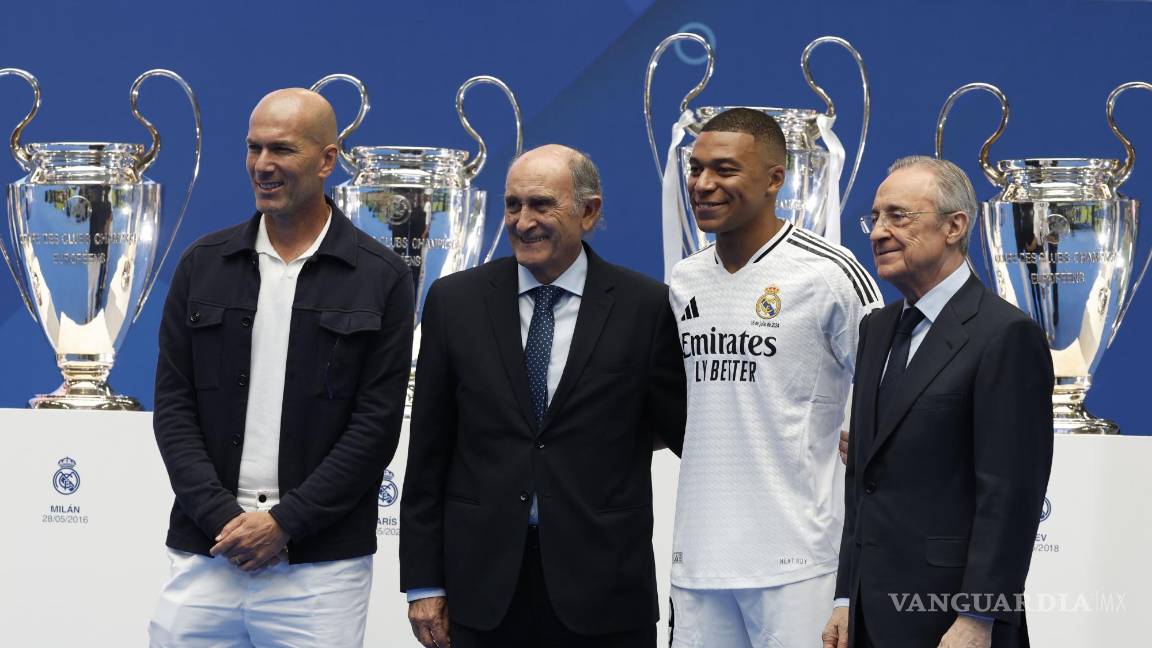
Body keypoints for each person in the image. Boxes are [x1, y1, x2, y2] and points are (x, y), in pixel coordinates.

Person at [149, 88, 414, 647]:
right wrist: (226, 520)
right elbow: (174, 409)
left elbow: (374, 428)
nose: (263, 165)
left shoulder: (381, 277)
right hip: (207, 555)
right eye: (254, 148)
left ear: (327, 159)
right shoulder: (203, 264)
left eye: (283, 150)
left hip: (319, 574)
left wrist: (284, 524)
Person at [400, 144, 686, 647]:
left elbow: (679, 429)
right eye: (513, 205)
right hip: (481, 590)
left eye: (541, 204)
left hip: (605, 590)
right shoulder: (454, 302)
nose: (523, 220)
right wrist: (424, 582)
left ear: (589, 211)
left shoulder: (646, 307)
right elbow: (428, 453)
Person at [668, 107, 881, 648]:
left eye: (725, 169)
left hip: (797, 562)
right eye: (696, 169)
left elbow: (893, 385)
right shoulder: (684, 278)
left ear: (774, 179)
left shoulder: (829, 273)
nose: (703, 184)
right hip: (698, 561)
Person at [822, 156, 1053, 648]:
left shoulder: (1005, 335)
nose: (879, 232)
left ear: (955, 226)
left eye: (898, 216)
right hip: (868, 616)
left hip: (951, 621)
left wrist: (979, 617)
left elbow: (1010, 497)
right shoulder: (876, 328)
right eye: (875, 217)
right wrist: (845, 598)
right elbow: (863, 481)